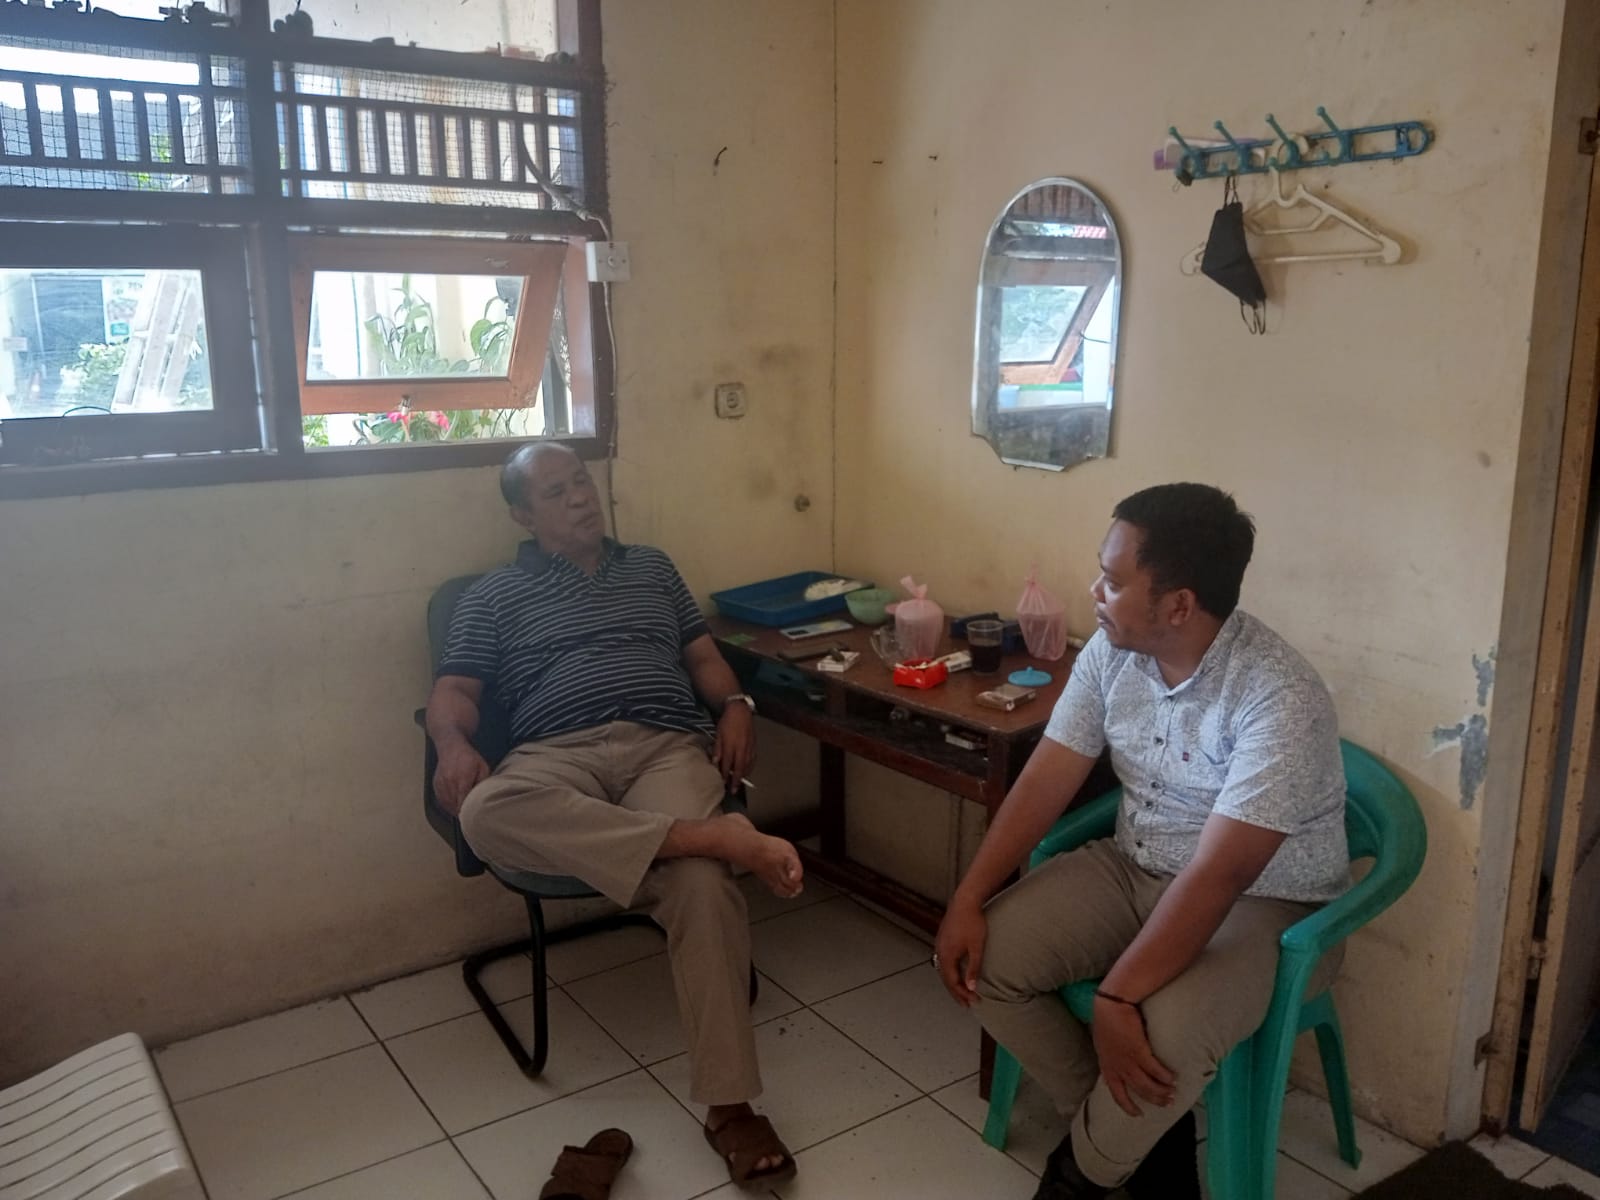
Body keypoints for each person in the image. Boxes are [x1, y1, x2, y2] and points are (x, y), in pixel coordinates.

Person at [933, 483, 1349, 1200]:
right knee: (984, 961)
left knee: (1168, 1031)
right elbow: (1046, 778)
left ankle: (1079, 1178)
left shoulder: (1279, 696)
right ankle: (1145, 1144)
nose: (1095, 591)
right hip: (1136, 865)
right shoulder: (1111, 651)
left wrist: (1116, 999)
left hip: (1264, 904)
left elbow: (1219, 876)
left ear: (1179, 605)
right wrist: (968, 897)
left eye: (1115, 581)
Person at [426, 442, 803, 1187]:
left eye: (582, 482)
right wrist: (449, 745)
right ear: (522, 515)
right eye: (557, 492)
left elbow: (703, 659)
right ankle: (712, 836)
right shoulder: (492, 596)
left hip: (663, 746)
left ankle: (730, 1108)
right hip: (554, 756)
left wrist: (735, 703)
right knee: (485, 811)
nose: (581, 498)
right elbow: (455, 691)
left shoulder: (652, 568)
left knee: (701, 885)